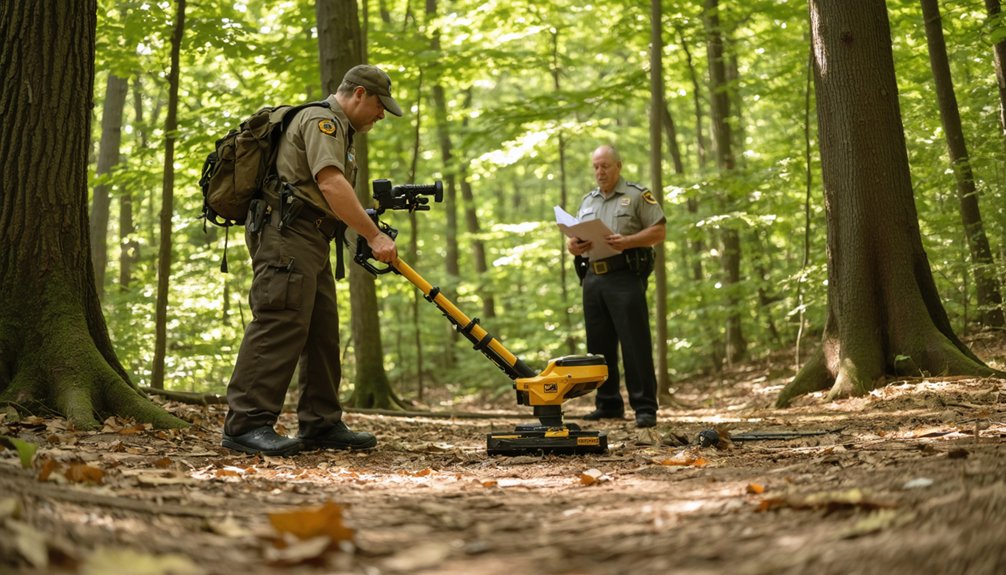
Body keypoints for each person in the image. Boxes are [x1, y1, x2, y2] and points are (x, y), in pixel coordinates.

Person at [221, 65, 403, 456]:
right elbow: (330, 183)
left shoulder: (341, 129)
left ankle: (321, 423)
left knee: (321, 329)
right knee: (280, 319)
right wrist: (373, 236)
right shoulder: (323, 121)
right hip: (286, 234)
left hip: (311, 236)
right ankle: (246, 423)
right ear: (357, 94)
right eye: (378, 105)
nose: (381, 114)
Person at [566, 145, 666, 428]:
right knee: (599, 346)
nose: (600, 172)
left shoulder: (636, 195)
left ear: (618, 166)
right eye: (596, 167)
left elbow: (659, 231)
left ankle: (645, 407)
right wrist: (573, 246)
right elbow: (572, 240)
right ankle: (608, 403)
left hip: (625, 276)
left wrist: (628, 241)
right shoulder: (588, 202)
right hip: (593, 278)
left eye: (605, 166)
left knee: (635, 344)